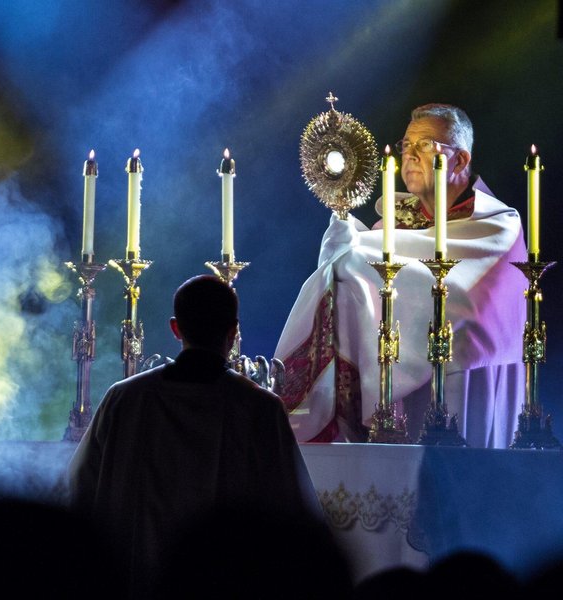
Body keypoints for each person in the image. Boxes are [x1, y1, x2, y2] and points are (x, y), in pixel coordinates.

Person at [275, 103, 527, 447]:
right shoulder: (389, 229)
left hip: (466, 385)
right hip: (394, 391)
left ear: (461, 161)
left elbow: (464, 299)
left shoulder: (496, 226)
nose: (410, 155)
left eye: (424, 145)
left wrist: (357, 256)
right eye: (406, 145)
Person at [67, 274, 327, 598]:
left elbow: (79, 492)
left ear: (175, 328)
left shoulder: (125, 398)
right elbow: (294, 516)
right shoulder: (260, 407)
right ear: (233, 333)